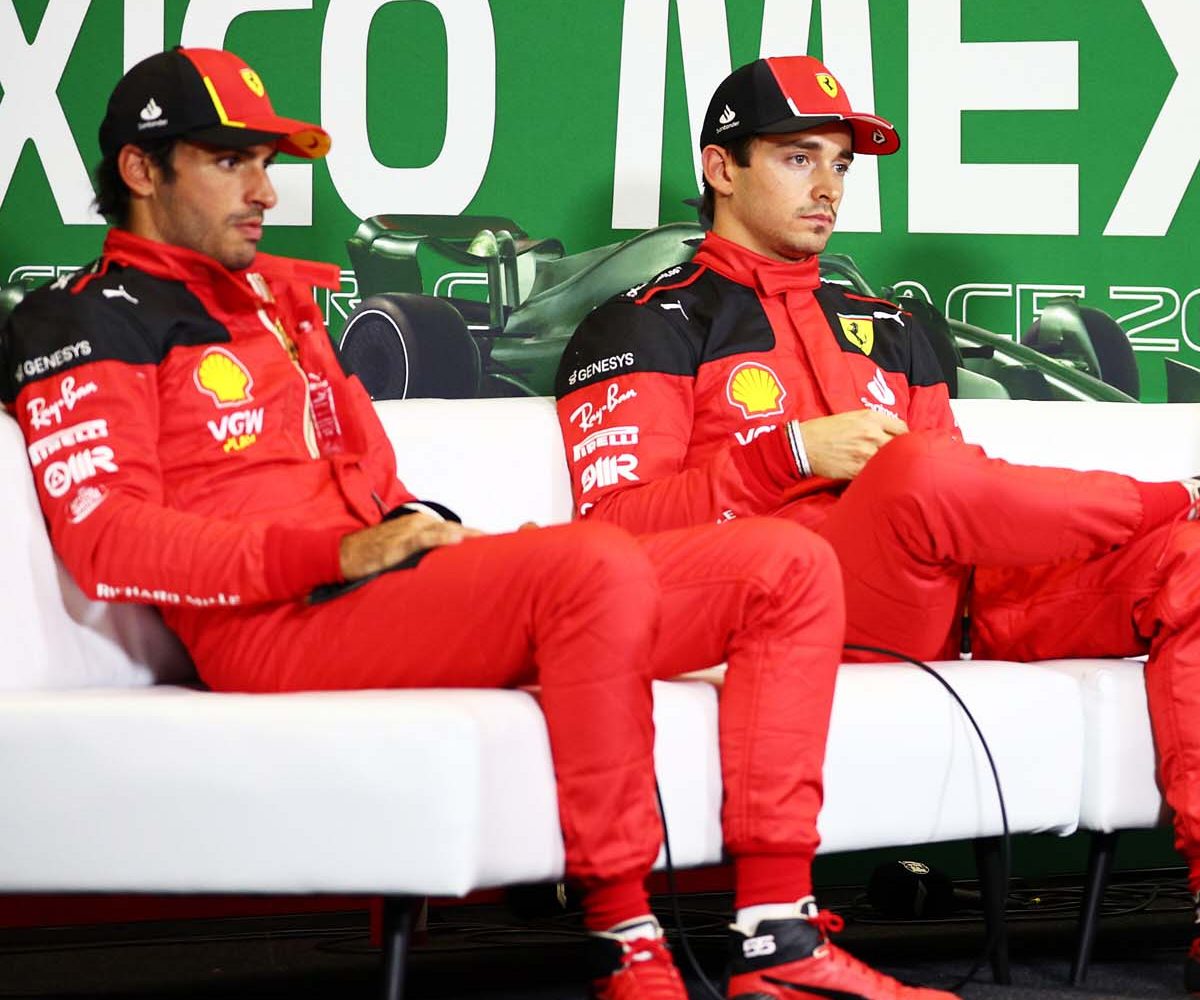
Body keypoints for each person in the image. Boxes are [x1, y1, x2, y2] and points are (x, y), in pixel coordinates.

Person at [0, 47, 946, 1000]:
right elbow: (108, 540)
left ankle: (776, 936)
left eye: (268, 163)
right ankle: (628, 945)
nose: (266, 191)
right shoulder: (80, 320)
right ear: (140, 170)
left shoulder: (279, 308)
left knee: (781, 566)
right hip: (273, 624)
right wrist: (338, 548)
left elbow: (371, 477)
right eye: (231, 161)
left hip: (374, 592)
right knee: (594, 568)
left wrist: (417, 527)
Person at [555, 54, 1200, 1000]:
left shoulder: (891, 323)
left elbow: (961, 496)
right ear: (721, 167)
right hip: (804, 609)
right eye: (799, 158)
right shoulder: (645, 324)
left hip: (957, 598)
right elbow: (619, 534)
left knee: (1195, 563)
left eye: (840, 162)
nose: (829, 185)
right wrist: (788, 455)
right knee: (916, 471)